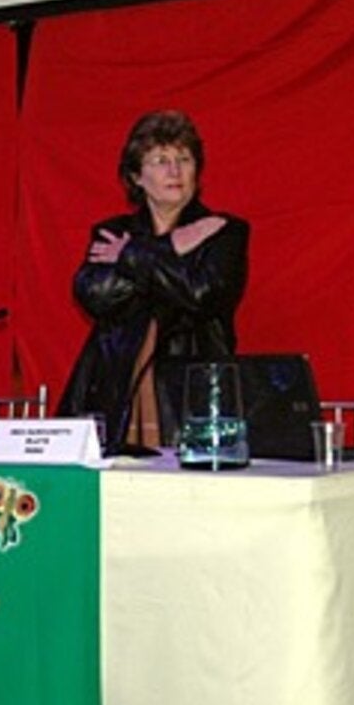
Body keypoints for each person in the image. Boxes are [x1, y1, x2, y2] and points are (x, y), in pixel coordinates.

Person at [58, 110, 249, 453]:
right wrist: (170, 250)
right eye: (160, 160)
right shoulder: (113, 232)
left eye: (184, 159)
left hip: (193, 394)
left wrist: (132, 257)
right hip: (115, 392)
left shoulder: (223, 231)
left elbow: (202, 294)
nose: (175, 170)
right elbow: (96, 295)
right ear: (136, 176)